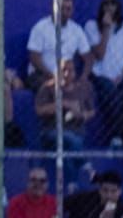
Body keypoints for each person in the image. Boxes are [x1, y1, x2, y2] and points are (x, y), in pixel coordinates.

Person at [35, 57, 95, 190]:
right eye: (64, 70)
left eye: (71, 70)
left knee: (66, 149)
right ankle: (85, 164)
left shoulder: (83, 88)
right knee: (67, 139)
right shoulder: (48, 87)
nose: (67, 74)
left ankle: (72, 184)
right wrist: (62, 104)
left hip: (76, 130)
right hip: (51, 131)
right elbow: (39, 110)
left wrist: (81, 114)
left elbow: (91, 112)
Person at [84, 0, 123, 146]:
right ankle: (117, 137)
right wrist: (106, 29)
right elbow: (100, 54)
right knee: (110, 90)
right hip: (100, 75)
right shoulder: (91, 26)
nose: (109, 8)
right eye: (106, 4)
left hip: (120, 75)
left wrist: (121, 76)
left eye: (112, 4)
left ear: (118, 6)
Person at [26, 0, 93, 92]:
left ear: (72, 11)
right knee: (56, 89)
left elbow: (88, 58)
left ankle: (76, 108)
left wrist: (83, 77)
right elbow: (34, 58)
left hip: (67, 76)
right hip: (41, 74)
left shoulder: (77, 30)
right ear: (53, 8)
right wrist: (53, 76)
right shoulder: (40, 28)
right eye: (61, 8)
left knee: (86, 88)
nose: (64, 12)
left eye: (68, 9)